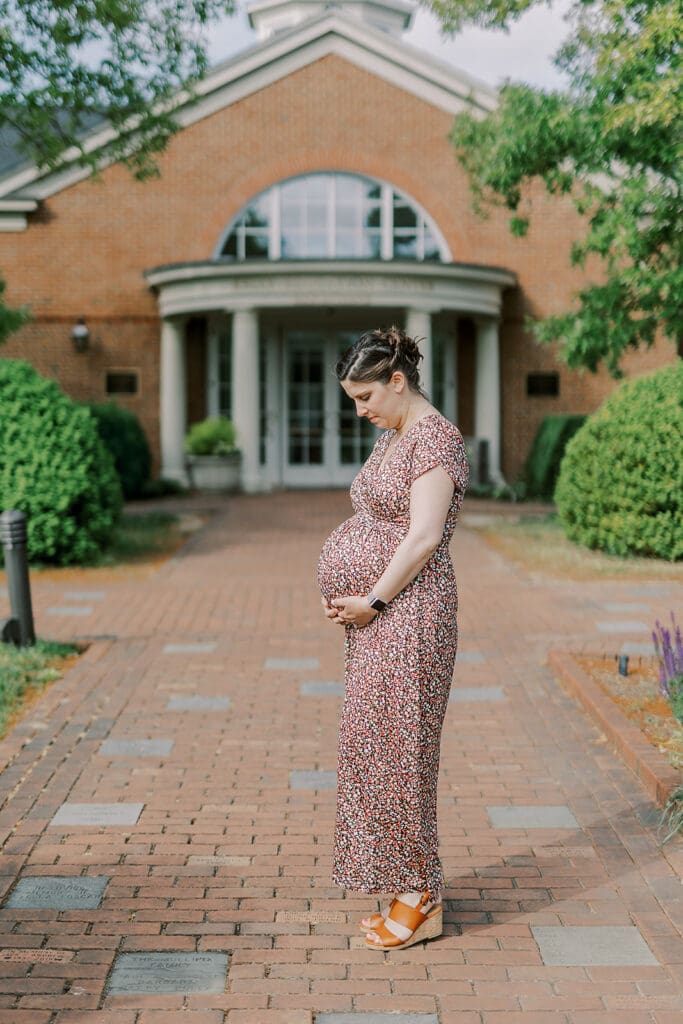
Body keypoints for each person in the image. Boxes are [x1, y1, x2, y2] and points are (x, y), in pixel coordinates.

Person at [317, 325, 469, 951]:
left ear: (398, 382)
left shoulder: (435, 439)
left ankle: (421, 894)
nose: (360, 411)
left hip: (409, 614)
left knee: (403, 753)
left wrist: (374, 601)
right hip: (380, 619)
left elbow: (425, 535)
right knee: (375, 747)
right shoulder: (395, 434)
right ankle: (405, 883)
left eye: (365, 397)